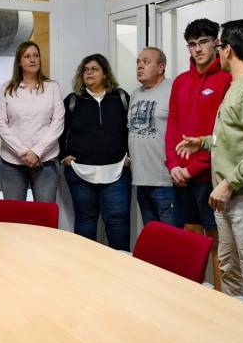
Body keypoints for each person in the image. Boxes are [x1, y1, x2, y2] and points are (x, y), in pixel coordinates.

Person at [177, 19, 243, 302]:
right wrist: (203, 142)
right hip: (230, 197)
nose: (216, 51)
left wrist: (228, 184)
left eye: (218, 45)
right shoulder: (239, 85)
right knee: (229, 271)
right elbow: (236, 138)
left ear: (228, 50)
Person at [164, 18, 232, 289]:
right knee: (190, 242)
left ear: (216, 43)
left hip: (210, 176)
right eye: (192, 44)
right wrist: (173, 165)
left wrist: (193, 169)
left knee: (217, 244)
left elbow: (225, 136)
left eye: (204, 42)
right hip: (180, 176)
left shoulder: (227, 79)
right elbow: (172, 128)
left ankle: (219, 300)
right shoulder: (181, 82)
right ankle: (190, 296)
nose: (198, 49)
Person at [60, 54, 131, 251]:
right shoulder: (73, 100)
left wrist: (130, 156)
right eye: (85, 70)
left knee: (118, 224)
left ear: (105, 73)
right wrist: (63, 156)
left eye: (94, 69)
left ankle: (120, 266)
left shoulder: (121, 98)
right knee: (85, 222)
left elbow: (132, 130)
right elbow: (59, 132)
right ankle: (85, 266)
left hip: (117, 173)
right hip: (80, 174)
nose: (89, 73)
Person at [0, 41, 64, 203]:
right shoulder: (7, 88)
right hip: (12, 163)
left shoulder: (52, 87)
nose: (33, 60)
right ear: (19, 62)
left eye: (36, 55)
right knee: (14, 215)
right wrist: (23, 152)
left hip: (45, 163)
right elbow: (0, 124)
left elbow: (58, 123)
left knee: (44, 213)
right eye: (27, 56)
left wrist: (37, 152)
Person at [128, 47, 179, 227]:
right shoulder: (135, 94)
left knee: (173, 238)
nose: (140, 66)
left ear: (161, 67)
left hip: (166, 181)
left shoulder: (174, 89)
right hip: (141, 180)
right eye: (138, 62)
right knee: (153, 237)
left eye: (146, 62)